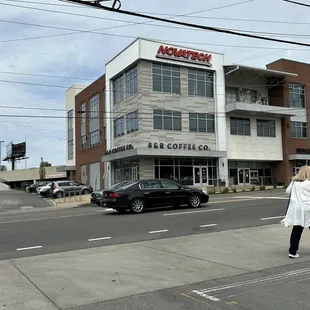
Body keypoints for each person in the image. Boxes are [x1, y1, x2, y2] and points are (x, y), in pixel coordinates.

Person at [281, 165, 310, 259]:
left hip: (297, 209)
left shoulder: (294, 182)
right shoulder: (309, 183)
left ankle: (292, 252)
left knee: (297, 230)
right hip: (308, 208)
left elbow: (287, 191)